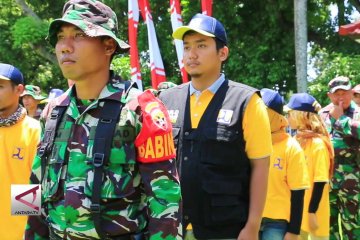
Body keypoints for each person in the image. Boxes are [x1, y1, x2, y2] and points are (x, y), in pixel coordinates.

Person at [25, 0, 182, 239]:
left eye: (78, 35)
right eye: (60, 36)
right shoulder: (53, 111)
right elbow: (33, 184)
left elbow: (166, 202)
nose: (65, 47)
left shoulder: (141, 110)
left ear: (108, 46)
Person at [159, 13, 272, 239]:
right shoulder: (166, 99)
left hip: (227, 229)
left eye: (201, 46)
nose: (191, 54)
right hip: (172, 227)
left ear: (223, 53)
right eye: (187, 47)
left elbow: (261, 167)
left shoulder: (246, 101)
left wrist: (252, 226)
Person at [259, 89, 309, 240]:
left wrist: (294, 231)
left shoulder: (291, 148)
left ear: (276, 117)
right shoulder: (248, 144)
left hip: (277, 223)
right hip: (249, 219)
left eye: (261, 111)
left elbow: (298, 192)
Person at [285, 93, 334, 240]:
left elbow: (320, 181)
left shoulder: (318, 144)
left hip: (314, 215)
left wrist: (312, 212)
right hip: (297, 215)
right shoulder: (295, 140)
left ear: (301, 115)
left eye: (290, 113)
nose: (287, 117)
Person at [0, 63, 41, 239]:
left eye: (0, 87)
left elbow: (32, 183)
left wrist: (26, 231)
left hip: (16, 231)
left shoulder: (34, 130)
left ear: (19, 90)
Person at [319, 76, 360, 240]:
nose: (341, 97)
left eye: (344, 92)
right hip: (327, 179)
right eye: (337, 94)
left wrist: (341, 119)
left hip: (353, 181)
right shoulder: (322, 114)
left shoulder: (357, 112)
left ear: (351, 93)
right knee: (328, 228)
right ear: (330, 96)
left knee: (353, 226)